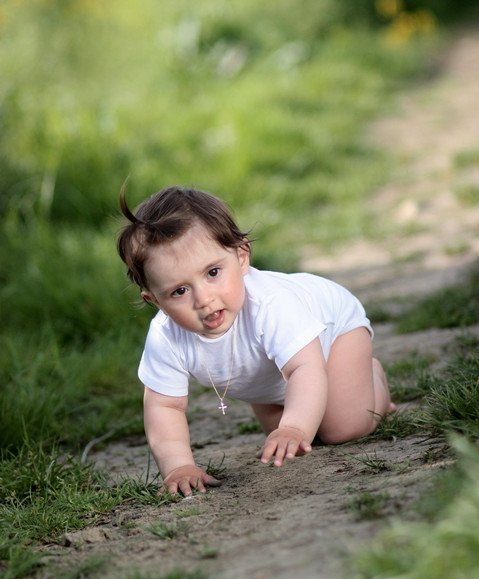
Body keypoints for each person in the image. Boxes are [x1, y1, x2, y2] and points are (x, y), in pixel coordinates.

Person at [117, 183, 394, 497]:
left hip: (332, 333)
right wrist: (178, 465)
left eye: (212, 273)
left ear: (241, 257)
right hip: (270, 373)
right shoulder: (165, 337)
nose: (204, 299)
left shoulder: (272, 305)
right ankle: (312, 406)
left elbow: (305, 369)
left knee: (341, 428)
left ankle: (372, 380)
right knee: (288, 439)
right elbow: (163, 406)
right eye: (179, 291)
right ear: (155, 300)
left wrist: (295, 427)